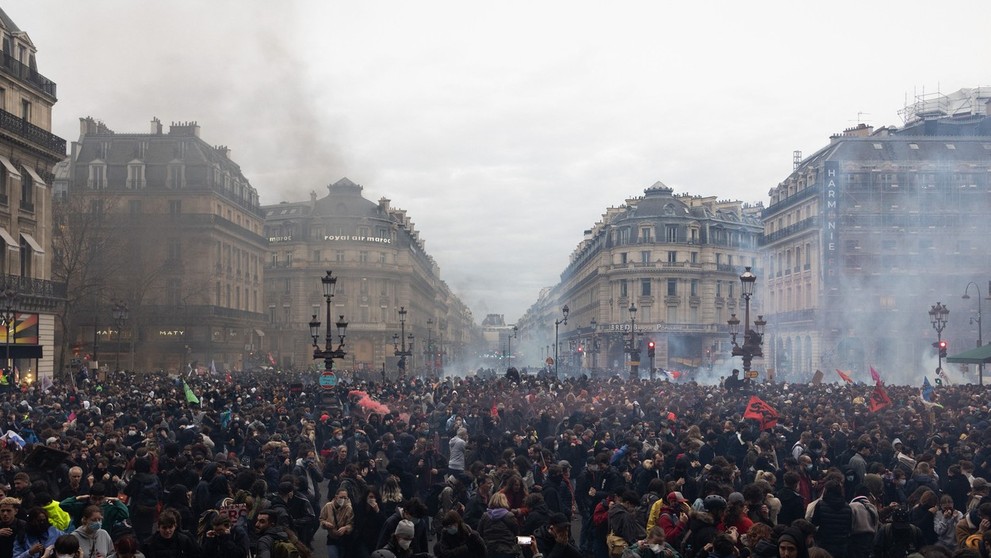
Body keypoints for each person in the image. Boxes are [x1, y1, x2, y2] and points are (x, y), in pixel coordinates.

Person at [477, 493, 519, 558]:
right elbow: (516, 532)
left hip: (490, 550)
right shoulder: (509, 516)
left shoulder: (485, 516)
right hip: (507, 550)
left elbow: (479, 533)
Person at [320, 489, 354, 558]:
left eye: (345, 498)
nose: (343, 499)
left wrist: (345, 528)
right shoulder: (328, 506)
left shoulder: (349, 508)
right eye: (341, 497)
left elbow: (351, 524)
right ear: (336, 497)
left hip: (344, 540)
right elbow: (321, 519)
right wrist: (325, 523)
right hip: (332, 538)